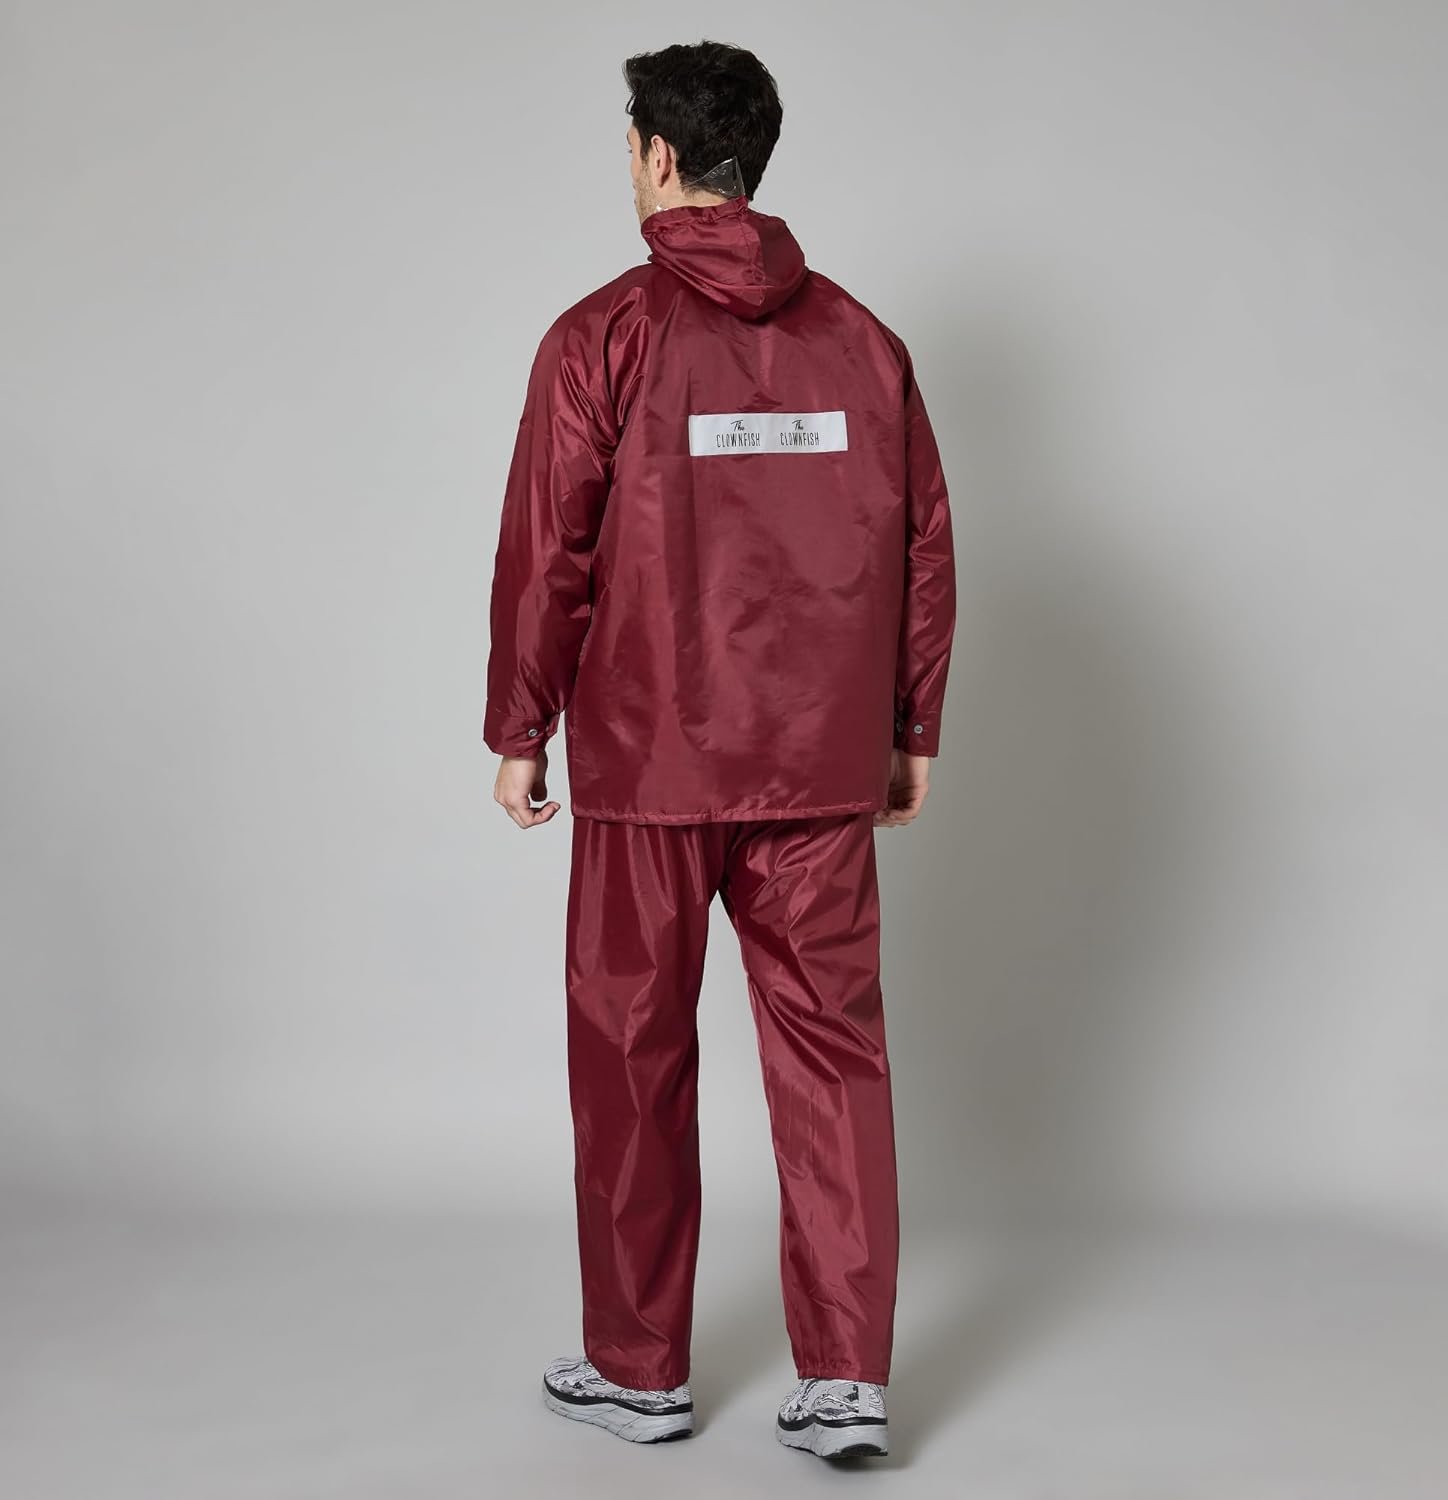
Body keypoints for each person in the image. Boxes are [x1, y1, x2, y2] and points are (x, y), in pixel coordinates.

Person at [484, 40, 956, 1462]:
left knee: (630, 1053)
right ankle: (848, 1383)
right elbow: (922, 544)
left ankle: (639, 1372)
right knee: (834, 1058)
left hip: (649, 766)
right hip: (817, 769)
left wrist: (520, 727)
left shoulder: (602, 338)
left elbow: (547, 553)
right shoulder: (865, 345)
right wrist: (910, 727)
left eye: (628, 144)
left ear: (657, 156)